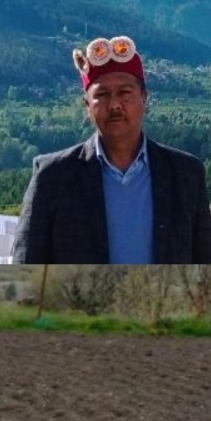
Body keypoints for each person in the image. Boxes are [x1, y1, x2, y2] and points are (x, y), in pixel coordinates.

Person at [12, 35, 211, 264]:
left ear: (144, 98)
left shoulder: (187, 175)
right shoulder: (52, 176)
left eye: (125, 93)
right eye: (102, 95)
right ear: (87, 105)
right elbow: (26, 262)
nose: (115, 104)